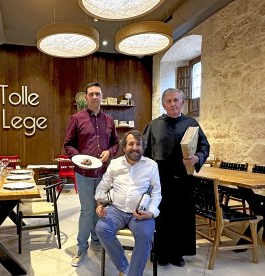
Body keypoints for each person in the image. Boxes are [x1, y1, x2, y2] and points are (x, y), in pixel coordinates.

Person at [143, 88, 210, 267]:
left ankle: (178, 253)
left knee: (181, 217)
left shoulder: (191, 123)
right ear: (163, 104)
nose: (173, 104)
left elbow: (205, 147)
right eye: (169, 101)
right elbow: (144, 152)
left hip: (183, 178)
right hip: (160, 179)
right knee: (161, 216)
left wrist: (197, 158)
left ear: (182, 102)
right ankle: (160, 252)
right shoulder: (153, 125)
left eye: (176, 100)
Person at [64, 82, 119, 267]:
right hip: (84, 173)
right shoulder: (76, 118)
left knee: (100, 210)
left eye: (98, 93)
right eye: (91, 94)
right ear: (86, 98)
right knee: (87, 211)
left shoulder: (109, 121)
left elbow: (116, 144)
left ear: (102, 96)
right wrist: (77, 157)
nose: (95, 97)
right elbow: (68, 144)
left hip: (104, 173)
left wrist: (110, 152)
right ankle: (81, 249)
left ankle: (96, 242)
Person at [95, 130, 162, 276]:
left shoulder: (151, 165)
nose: (135, 147)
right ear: (124, 147)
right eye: (131, 144)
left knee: (145, 235)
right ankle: (124, 267)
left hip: (140, 213)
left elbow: (157, 193)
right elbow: (102, 187)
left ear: (143, 148)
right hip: (116, 210)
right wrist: (101, 203)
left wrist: (150, 213)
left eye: (139, 144)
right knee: (101, 229)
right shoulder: (115, 164)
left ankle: (134, 274)